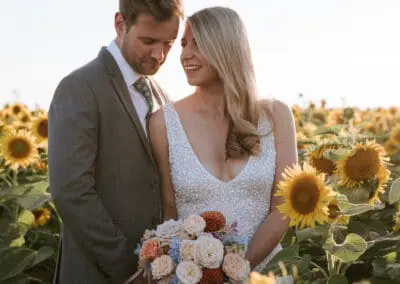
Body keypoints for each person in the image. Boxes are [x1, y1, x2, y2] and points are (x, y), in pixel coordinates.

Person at [149, 6, 298, 271]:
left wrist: (236, 272)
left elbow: (284, 207)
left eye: (198, 43)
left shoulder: (276, 115)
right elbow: (169, 211)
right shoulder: (163, 122)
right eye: (184, 44)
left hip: (266, 274)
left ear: (226, 47)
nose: (185, 55)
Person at [48, 1, 183, 283]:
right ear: (120, 24)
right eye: (148, 41)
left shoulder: (162, 96)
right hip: (97, 273)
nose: (159, 55)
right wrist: (130, 267)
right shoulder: (79, 87)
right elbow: (71, 191)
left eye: (169, 43)